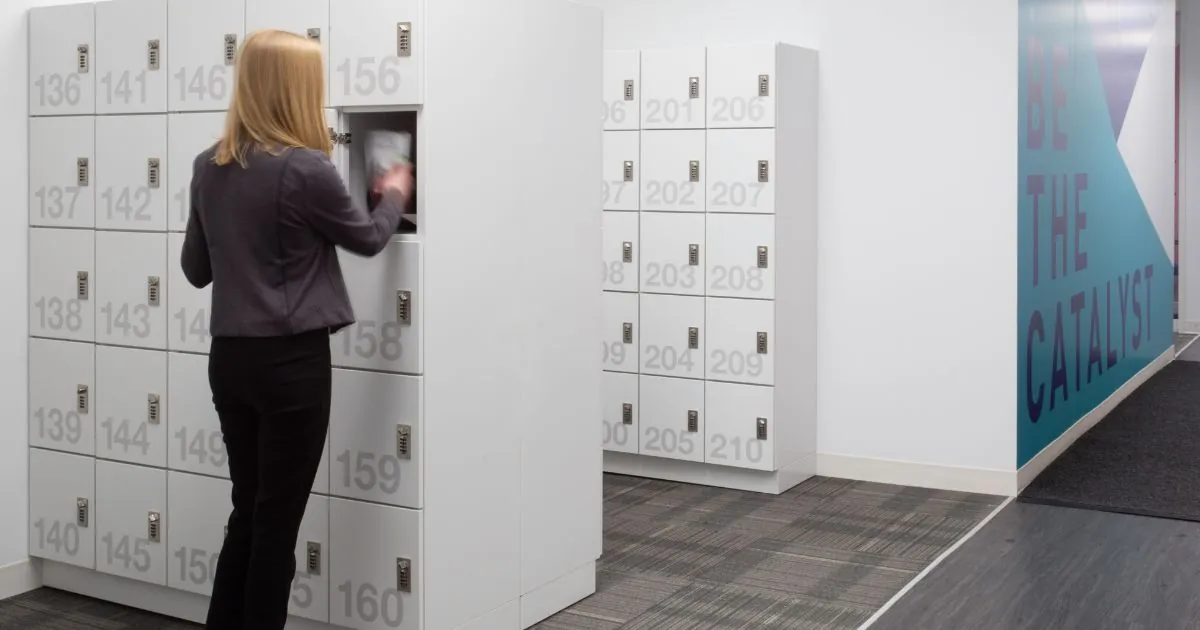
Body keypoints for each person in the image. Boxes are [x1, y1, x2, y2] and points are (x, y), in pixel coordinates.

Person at [180, 29, 414, 630]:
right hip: (291, 366)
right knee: (277, 523)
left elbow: (195, 271)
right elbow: (365, 238)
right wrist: (392, 194)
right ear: (295, 89)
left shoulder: (208, 166)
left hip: (229, 362)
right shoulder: (306, 168)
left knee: (248, 512)